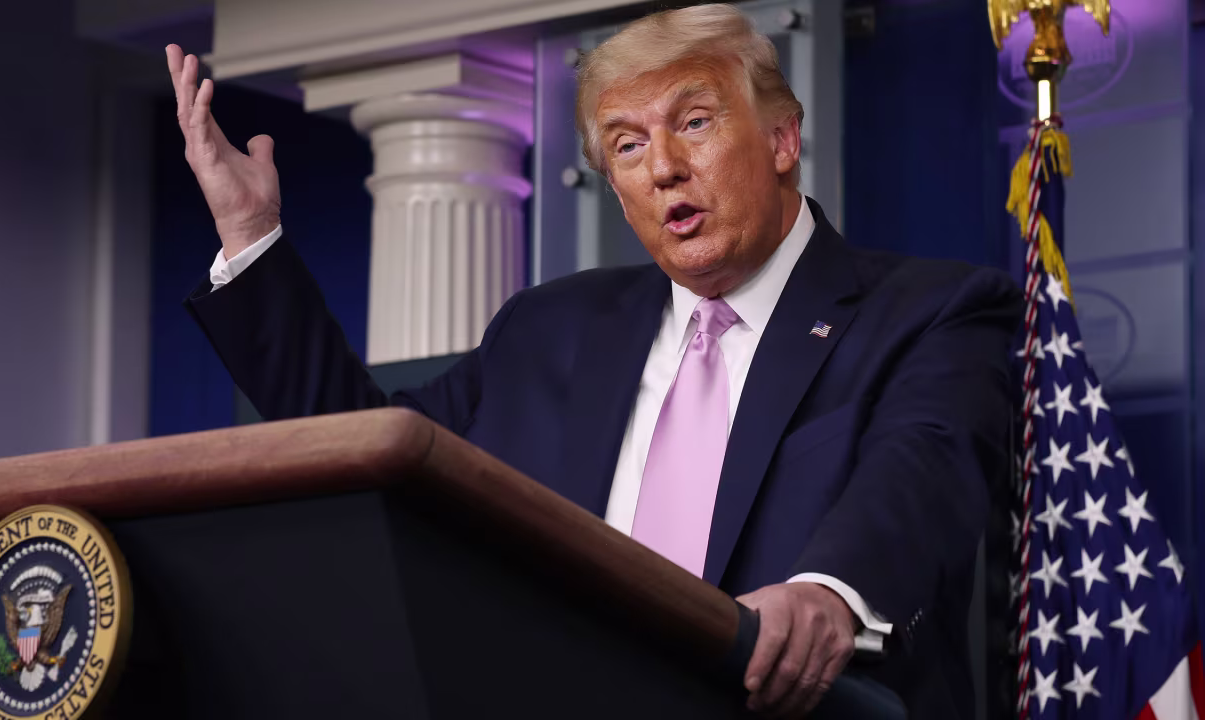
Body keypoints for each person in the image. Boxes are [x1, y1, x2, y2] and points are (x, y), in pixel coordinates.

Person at [166, 4, 1018, 718]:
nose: (666, 170)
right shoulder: (549, 329)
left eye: (695, 122)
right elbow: (363, 451)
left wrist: (829, 594)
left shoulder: (932, 312)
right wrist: (251, 238)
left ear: (782, 138)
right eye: (627, 145)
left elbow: (924, 471)